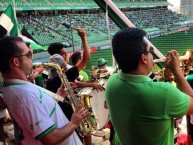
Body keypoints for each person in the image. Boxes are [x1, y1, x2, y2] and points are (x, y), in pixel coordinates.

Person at [105, 27, 193, 145]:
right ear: (144, 58)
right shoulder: (164, 92)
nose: (152, 55)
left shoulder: (112, 82)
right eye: (150, 51)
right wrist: (177, 71)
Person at [0, 36, 89, 145]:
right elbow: (50, 139)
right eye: (28, 55)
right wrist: (74, 123)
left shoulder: (14, 88)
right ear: (16, 62)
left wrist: (59, 94)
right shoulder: (26, 96)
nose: (31, 58)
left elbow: (40, 109)